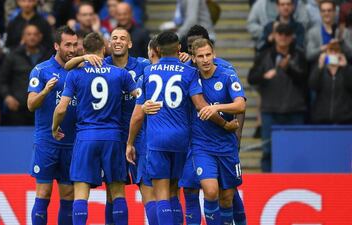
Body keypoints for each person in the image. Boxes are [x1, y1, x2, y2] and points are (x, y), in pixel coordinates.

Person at [126, 31, 230, 225]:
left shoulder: (148, 72)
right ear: (179, 49)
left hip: (156, 139)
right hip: (181, 140)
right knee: (175, 190)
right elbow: (200, 105)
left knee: (162, 193)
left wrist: (130, 143)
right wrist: (224, 123)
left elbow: (138, 115)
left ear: (157, 50)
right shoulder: (189, 73)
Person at [52, 32, 138, 225]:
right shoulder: (120, 73)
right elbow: (138, 95)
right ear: (104, 49)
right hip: (113, 137)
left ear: (83, 49)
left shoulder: (75, 74)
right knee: (117, 192)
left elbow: (62, 107)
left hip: (86, 137)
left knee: (81, 194)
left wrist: (54, 127)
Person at [191, 38, 246, 225]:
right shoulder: (191, 78)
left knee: (226, 198)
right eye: (200, 56)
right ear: (194, 58)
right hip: (202, 146)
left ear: (214, 54)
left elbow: (241, 104)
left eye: (208, 55)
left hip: (226, 146)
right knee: (211, 191)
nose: (205, 60)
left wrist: (216, 107)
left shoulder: (227, 75)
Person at [26, 26, 78, 225]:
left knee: (68, 195)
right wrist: (46, 91)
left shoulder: (80, 70)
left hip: (72, 143)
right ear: (57, 45)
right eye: (67, 45)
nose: (72, 49)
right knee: (44, 193)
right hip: (47, 142)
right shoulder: (41, 70)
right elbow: (31, 104)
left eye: (75, 44)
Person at [248, 23, 308, 172]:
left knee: (296, 151)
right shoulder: (264, 55)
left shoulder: (299, 55)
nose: (283, 37)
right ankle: (268, 184)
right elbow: (251, 78)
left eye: (286, 34)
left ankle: (296, 182)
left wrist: (289, 69)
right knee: (268, 151)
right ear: (274, 36)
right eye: (280, 33)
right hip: (270, 110)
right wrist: (263, 76)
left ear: (292, 37)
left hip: (294, 110)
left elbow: (306, 80)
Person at [0, 24, 51, 125]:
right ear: (23, 37)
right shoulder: (13, 56)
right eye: (29, 34)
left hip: (43, 107)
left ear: (40, 37)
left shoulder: (48, 56)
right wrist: (8, 97)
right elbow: (2, 81)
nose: (32, 37)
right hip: (18, 109)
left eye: (35, 34)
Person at [309, 41, 352, 124]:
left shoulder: (347, 70)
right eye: (330, 51)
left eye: (336, 51)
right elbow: (312, 85)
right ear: (326, 53)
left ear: (340, 54)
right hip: (322, 118)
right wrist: (320, 67)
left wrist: (345, 67)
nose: (333, 54)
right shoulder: (320, 69)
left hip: (344, 118)